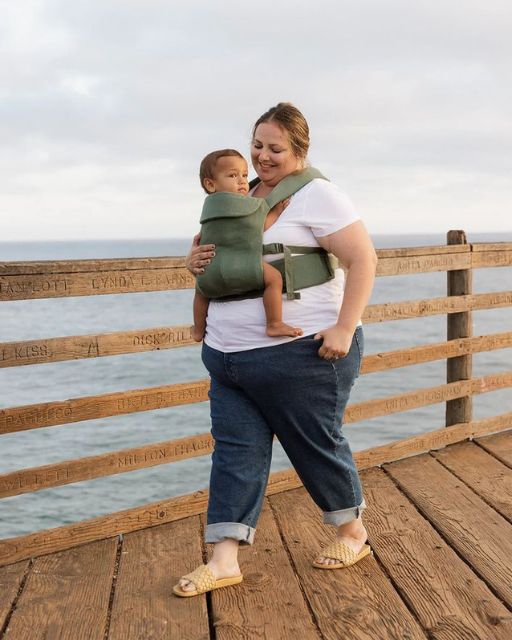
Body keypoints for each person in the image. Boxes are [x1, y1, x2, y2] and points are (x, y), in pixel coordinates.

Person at [173, 102, 377, 598]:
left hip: (303, 353)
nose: (262, 157)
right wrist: (193, 260)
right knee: (235, 453)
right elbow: (221, 260)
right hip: (227, 356)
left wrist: (344, 328)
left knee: (315, 445)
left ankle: (353, 534)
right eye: (257, 145)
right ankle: (224, 560)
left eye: (275, 149)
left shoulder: (317, 195)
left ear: (300, 151)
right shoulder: (237, 195)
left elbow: (363, 259)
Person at [192, 148, 302, 342]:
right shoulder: (242, 205)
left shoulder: (208, 207)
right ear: (210, 184)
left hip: (212, 270)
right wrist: (276, 212)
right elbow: (258, 226)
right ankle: (274, 323)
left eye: (244, 175)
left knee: (201, 292)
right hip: (241, 267)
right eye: (233, 175)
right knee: (274, 278)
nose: (242, 181)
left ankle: (198, 330)